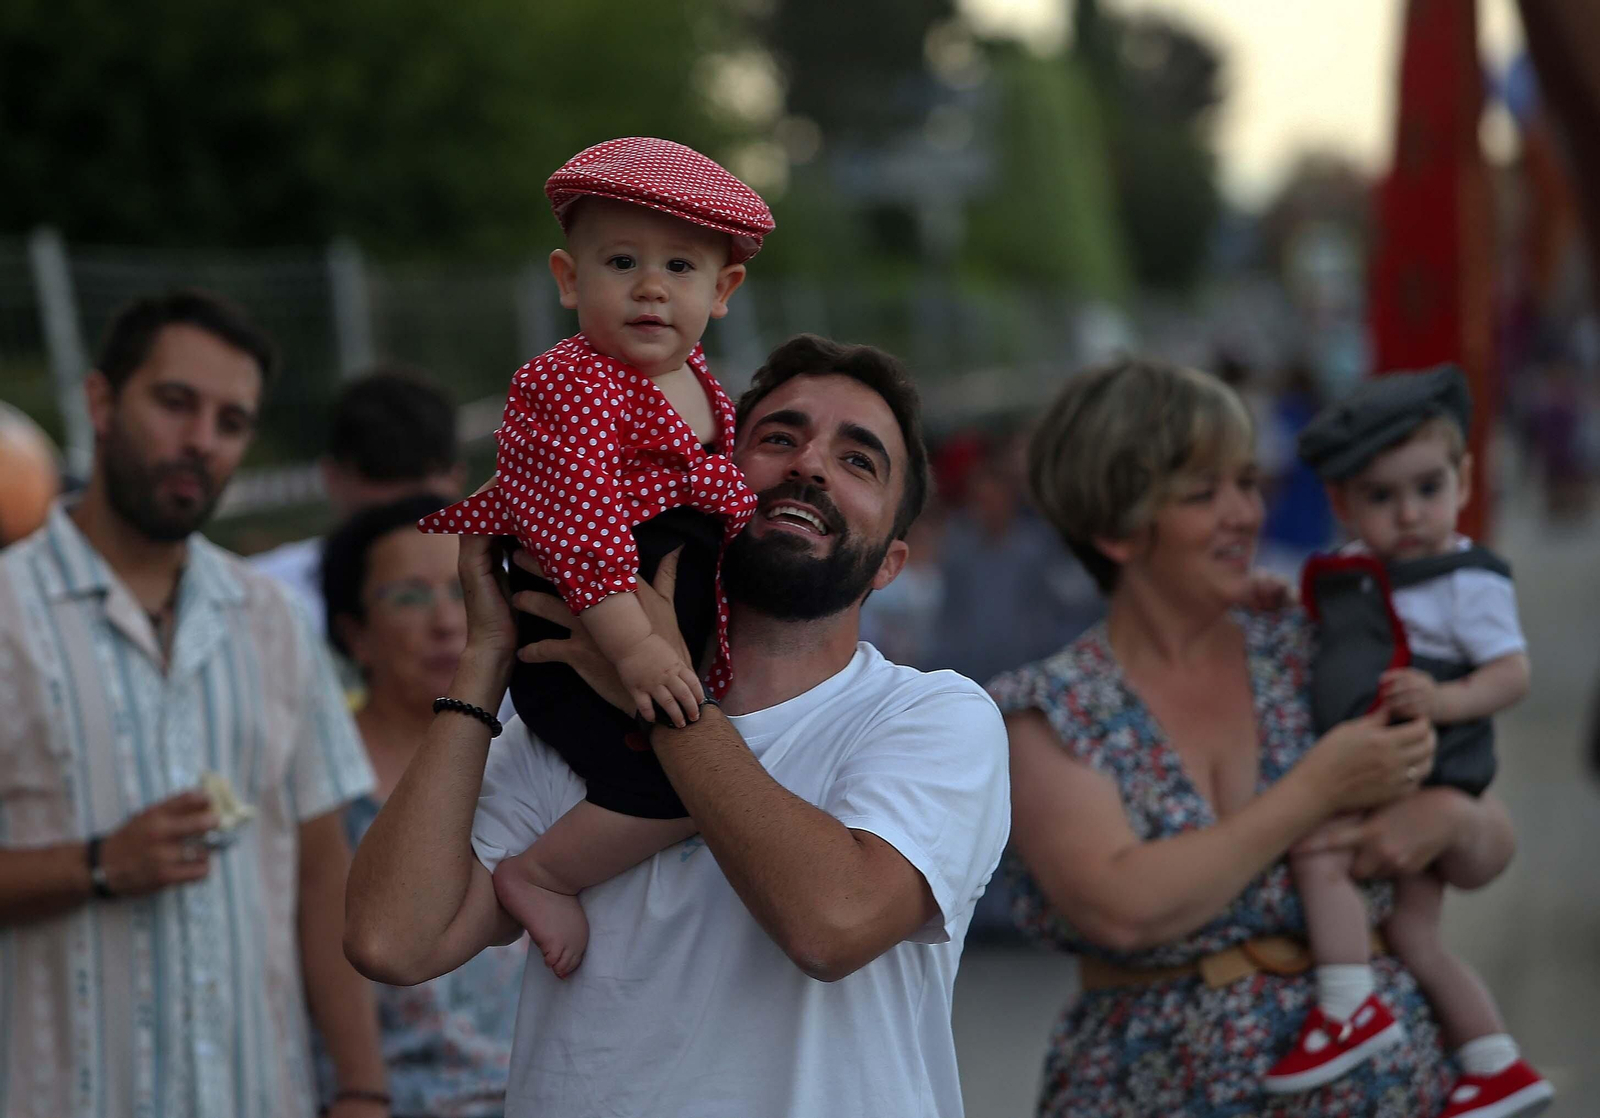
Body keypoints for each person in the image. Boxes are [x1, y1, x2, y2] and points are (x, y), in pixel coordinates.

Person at [346, 334, 1011, 1118]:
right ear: (704, 478)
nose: (809, 465)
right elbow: (393, 941)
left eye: (858, 460)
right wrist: (486, 655)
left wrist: (659, 692)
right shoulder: (569, 726)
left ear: (892, 562)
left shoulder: (932, 717)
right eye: (778, 439)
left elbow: (832, 925)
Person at [993, 356, 1519, 1117]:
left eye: (1247, 481)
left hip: (1389, 1088)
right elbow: (1122, 908)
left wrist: (1453, 821)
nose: (1246, 513)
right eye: (1204, 493)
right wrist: (1318, 789)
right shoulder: (1047, 709)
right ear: (1116, 530)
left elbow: (1489, 846)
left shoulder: (1311, 644)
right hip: (1158, 1090)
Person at [0, 290, 385, 1118]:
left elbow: (324, 871)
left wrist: (362, 1089)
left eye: (231, 421)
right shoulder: (8, 613)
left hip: (258, 1094)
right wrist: (96, 866)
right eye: (175, 403)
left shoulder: (274, 620)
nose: (202, 440)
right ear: (101, 403)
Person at [419, 136, 770, 978]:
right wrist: (636, 648)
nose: (651, 287)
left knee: (707, 774)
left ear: (722, 292)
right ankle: (540, 875)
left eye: (680, 267)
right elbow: (582, 532)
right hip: (582, 635)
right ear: (569, 279)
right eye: (622, 262)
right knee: (684, 788)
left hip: (648, 636)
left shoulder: (701, 380)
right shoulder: (567, 383)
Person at [1268, 367, 1550, 1116]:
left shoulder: (1466, 580)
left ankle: (1347, 1004)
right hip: (1402, 770)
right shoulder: (1358, 573)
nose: (1411, 514)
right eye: (1382, 498)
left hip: (1429, 768)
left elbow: (1512, 673)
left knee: (1317, 850)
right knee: (1414, 932)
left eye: (1429, 488)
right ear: (1343, 505)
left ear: (1464, 480)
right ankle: (1495, 1060)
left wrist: (1445, 698)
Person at [320, 495, 527, 1118]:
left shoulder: (534, 756)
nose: (446, 621)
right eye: (409, 597)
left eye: (464, 590)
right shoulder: (321, 784)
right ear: (354, 633)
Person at [251, 365, 464, 633]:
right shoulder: (257, 598)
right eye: (380, 476)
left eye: (422, 509)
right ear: (332, 477)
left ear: (457, 479)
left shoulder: (511, 586)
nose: (446, 624)